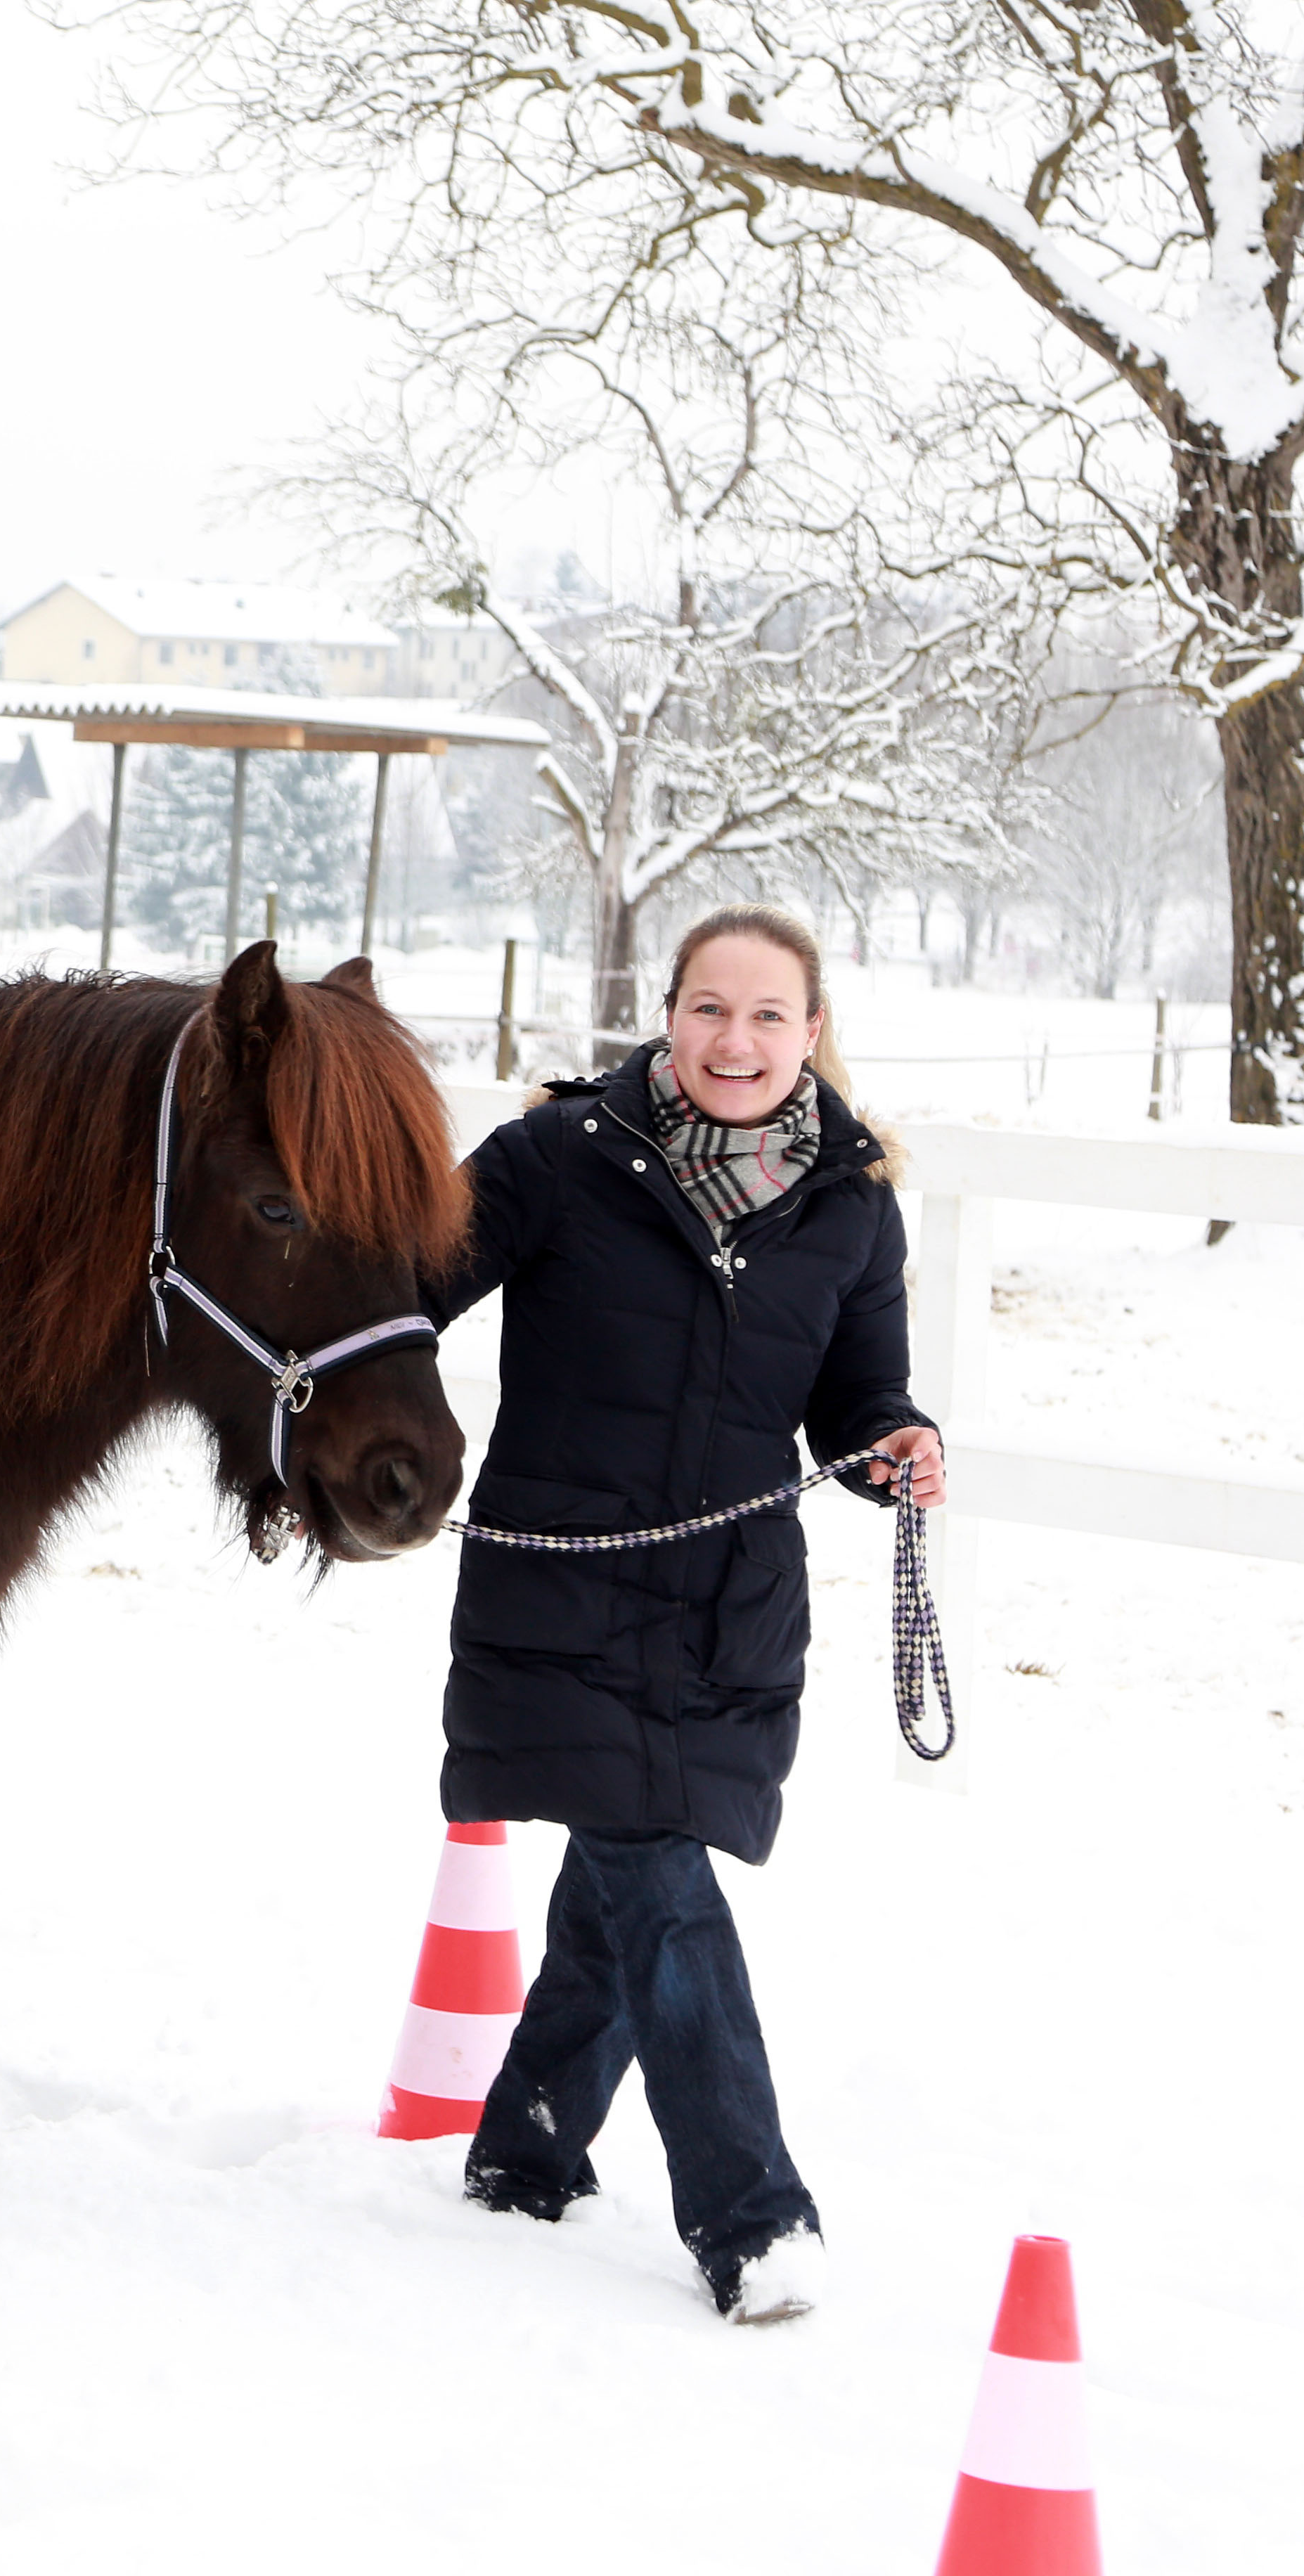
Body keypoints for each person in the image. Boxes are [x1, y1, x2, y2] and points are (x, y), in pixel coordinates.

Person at [425, 903, 946, 2326]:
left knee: (622, 1880)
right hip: (564, 1583)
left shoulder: (850, 1199)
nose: (739, 1040)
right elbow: (405, 1291)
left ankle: (526, 2148)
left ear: (813, 1031)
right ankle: (753, 2212)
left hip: (731, 1605)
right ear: (669, 1014)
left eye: (770, 1015)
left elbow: (855, 1396)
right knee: (656, 1869)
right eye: (712, 1010)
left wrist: (888, 1441)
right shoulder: (560, 1157)